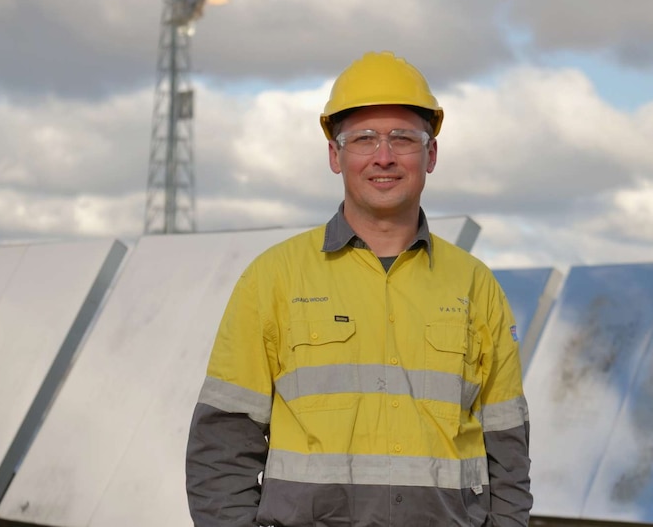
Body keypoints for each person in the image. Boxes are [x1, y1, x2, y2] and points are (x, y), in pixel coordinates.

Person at [185, 51, 532, 526]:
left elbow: (507, 451)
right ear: (335, 155)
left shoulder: (477, 286)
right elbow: (222, 444)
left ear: (430, 155)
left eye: (403, 139)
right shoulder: (272, 279)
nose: (383, 156)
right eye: (364, 139)